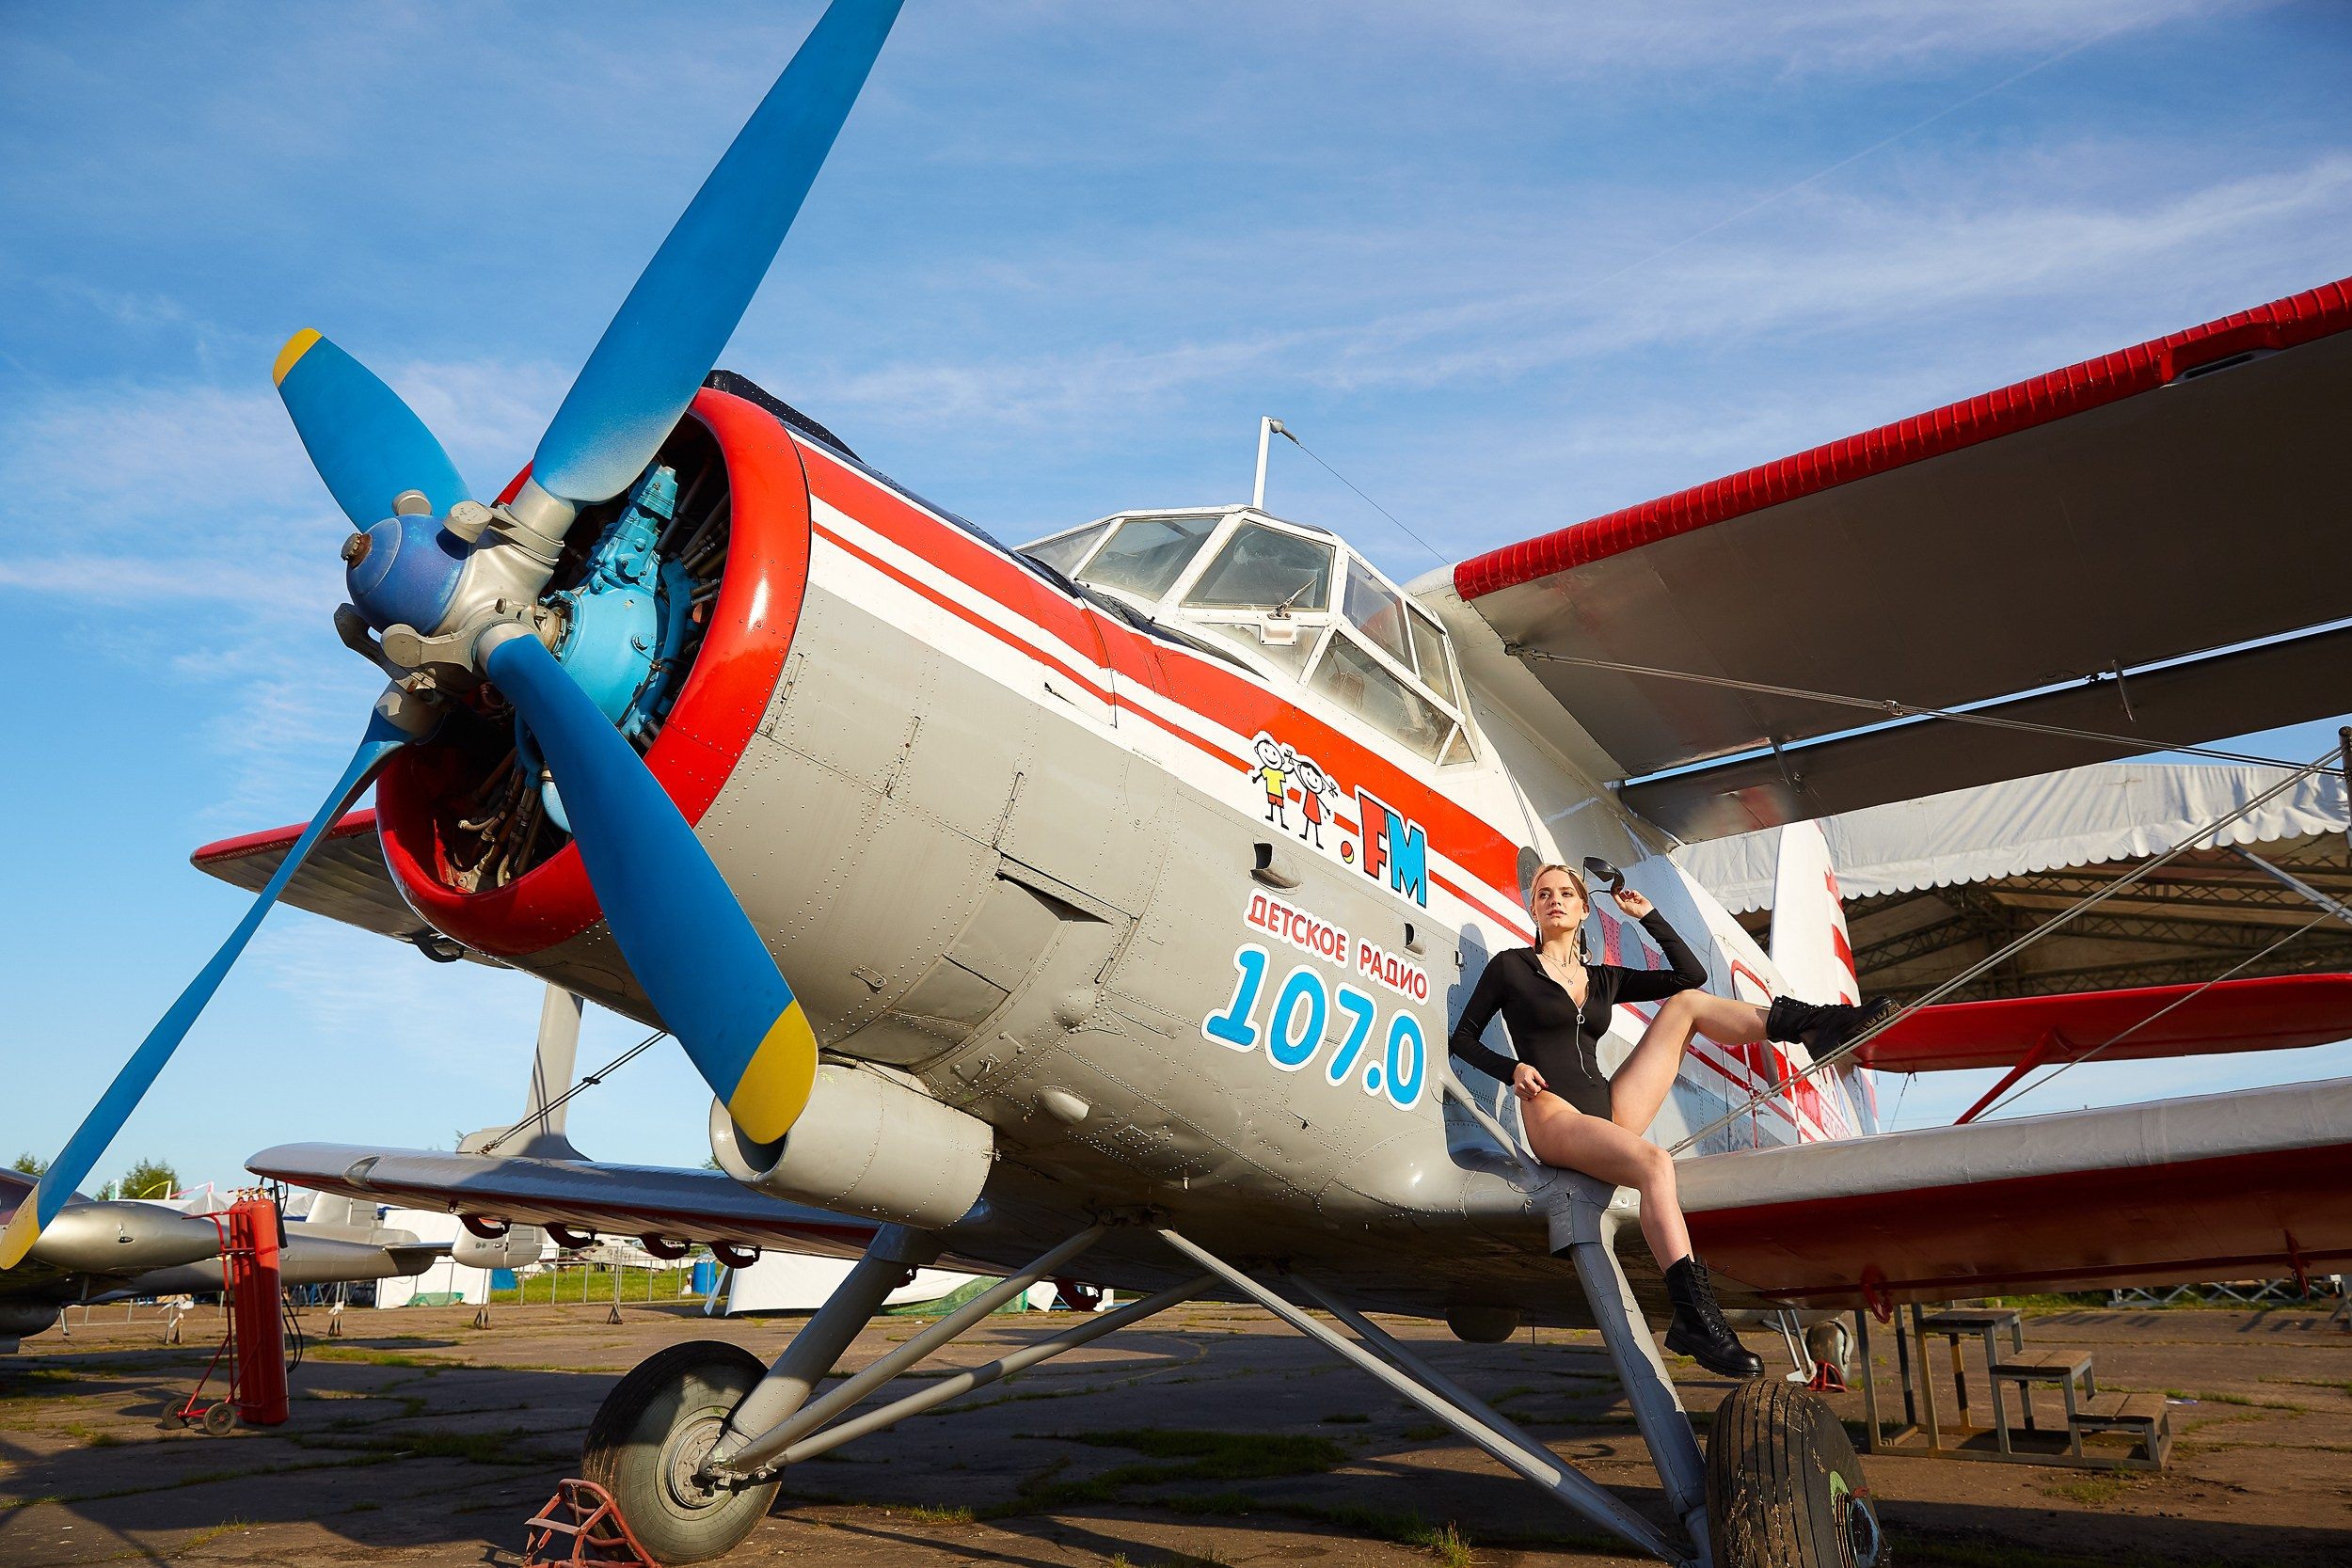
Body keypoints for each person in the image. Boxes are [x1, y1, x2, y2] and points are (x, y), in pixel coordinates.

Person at [1449, 863, 1891, 1378]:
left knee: (1685, 1004)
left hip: (1608, 1109)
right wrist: (1513, 1069)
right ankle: (1695, 1316)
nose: (1555, 900)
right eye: (1543, 894)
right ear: (1533, 908)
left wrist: (1648, 915)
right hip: (1553, 1115)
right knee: (1657, 1164)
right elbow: (1464, 1037)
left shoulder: (1601, 979)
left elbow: (1690, 976)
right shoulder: (1511, 967)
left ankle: (1820, 1024)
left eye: (1567, 892)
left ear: (1584, 907)